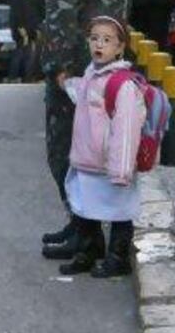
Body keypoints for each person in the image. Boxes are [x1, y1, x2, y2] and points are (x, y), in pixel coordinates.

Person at [37, 0, 134, 261]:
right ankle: (84, 227)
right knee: (101, 147)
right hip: (112, 61)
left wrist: (59, 67)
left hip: (77, 66)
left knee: (68, 150)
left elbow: (58, 8)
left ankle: (86, 232)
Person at [57, 16, 145, 277]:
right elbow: (84, 94)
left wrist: (121, 170)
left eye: (107, 40)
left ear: (120, 48)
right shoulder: (91, 74)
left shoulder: (124, 84)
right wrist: (66, 84)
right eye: (94, 38)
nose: (99, 44)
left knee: (119, 211)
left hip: (111, 165)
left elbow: (127, 130)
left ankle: (118, 257)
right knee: (85, 207)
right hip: (87, 160)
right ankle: (89, 250)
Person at [5, 0, 37, 83]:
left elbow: (29, 15)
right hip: (21, 30)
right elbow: (16, 14)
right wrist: (21, 29)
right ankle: (13, 77)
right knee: (19, 53)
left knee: (28, 54)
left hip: (29, 30)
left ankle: (27, 78)